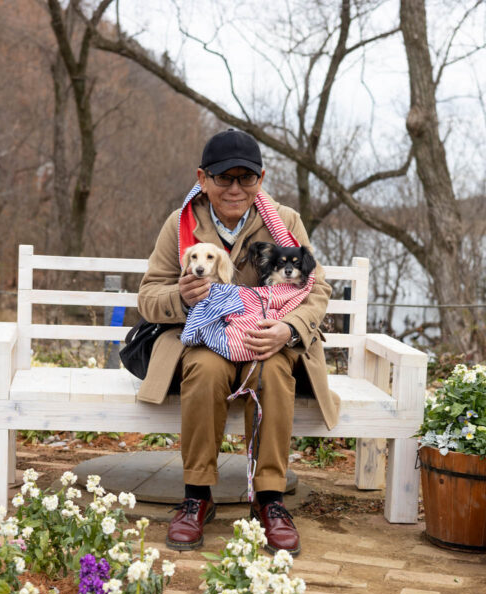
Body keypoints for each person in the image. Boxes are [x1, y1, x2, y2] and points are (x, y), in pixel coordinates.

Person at [137, 129, 339, 556]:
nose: (235, 188)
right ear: (202, 178)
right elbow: (148, 296)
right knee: (204, 369)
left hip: (268, 336)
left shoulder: (285, 221)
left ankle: (269, 499)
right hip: (206, 336)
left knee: (272, 369)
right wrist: (181, 297)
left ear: (260, 179)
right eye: (223, 177)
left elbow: (317, 288)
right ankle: (197, 496)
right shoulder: (181, 224)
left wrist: (289, 329)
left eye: (245, 178)